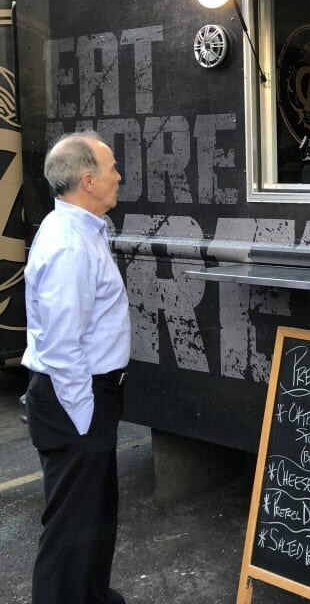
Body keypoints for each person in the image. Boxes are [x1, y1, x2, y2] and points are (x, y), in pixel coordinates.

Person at [22, 131, 130, 604]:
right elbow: (62, 346)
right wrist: (86, 420)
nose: (118, 176)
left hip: (83, 396)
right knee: (71, 525)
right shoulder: (68, 244)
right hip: (74, 399)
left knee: (92, 515)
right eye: (111, 168)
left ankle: (92, 597)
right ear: (88, 181)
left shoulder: (81, 229)